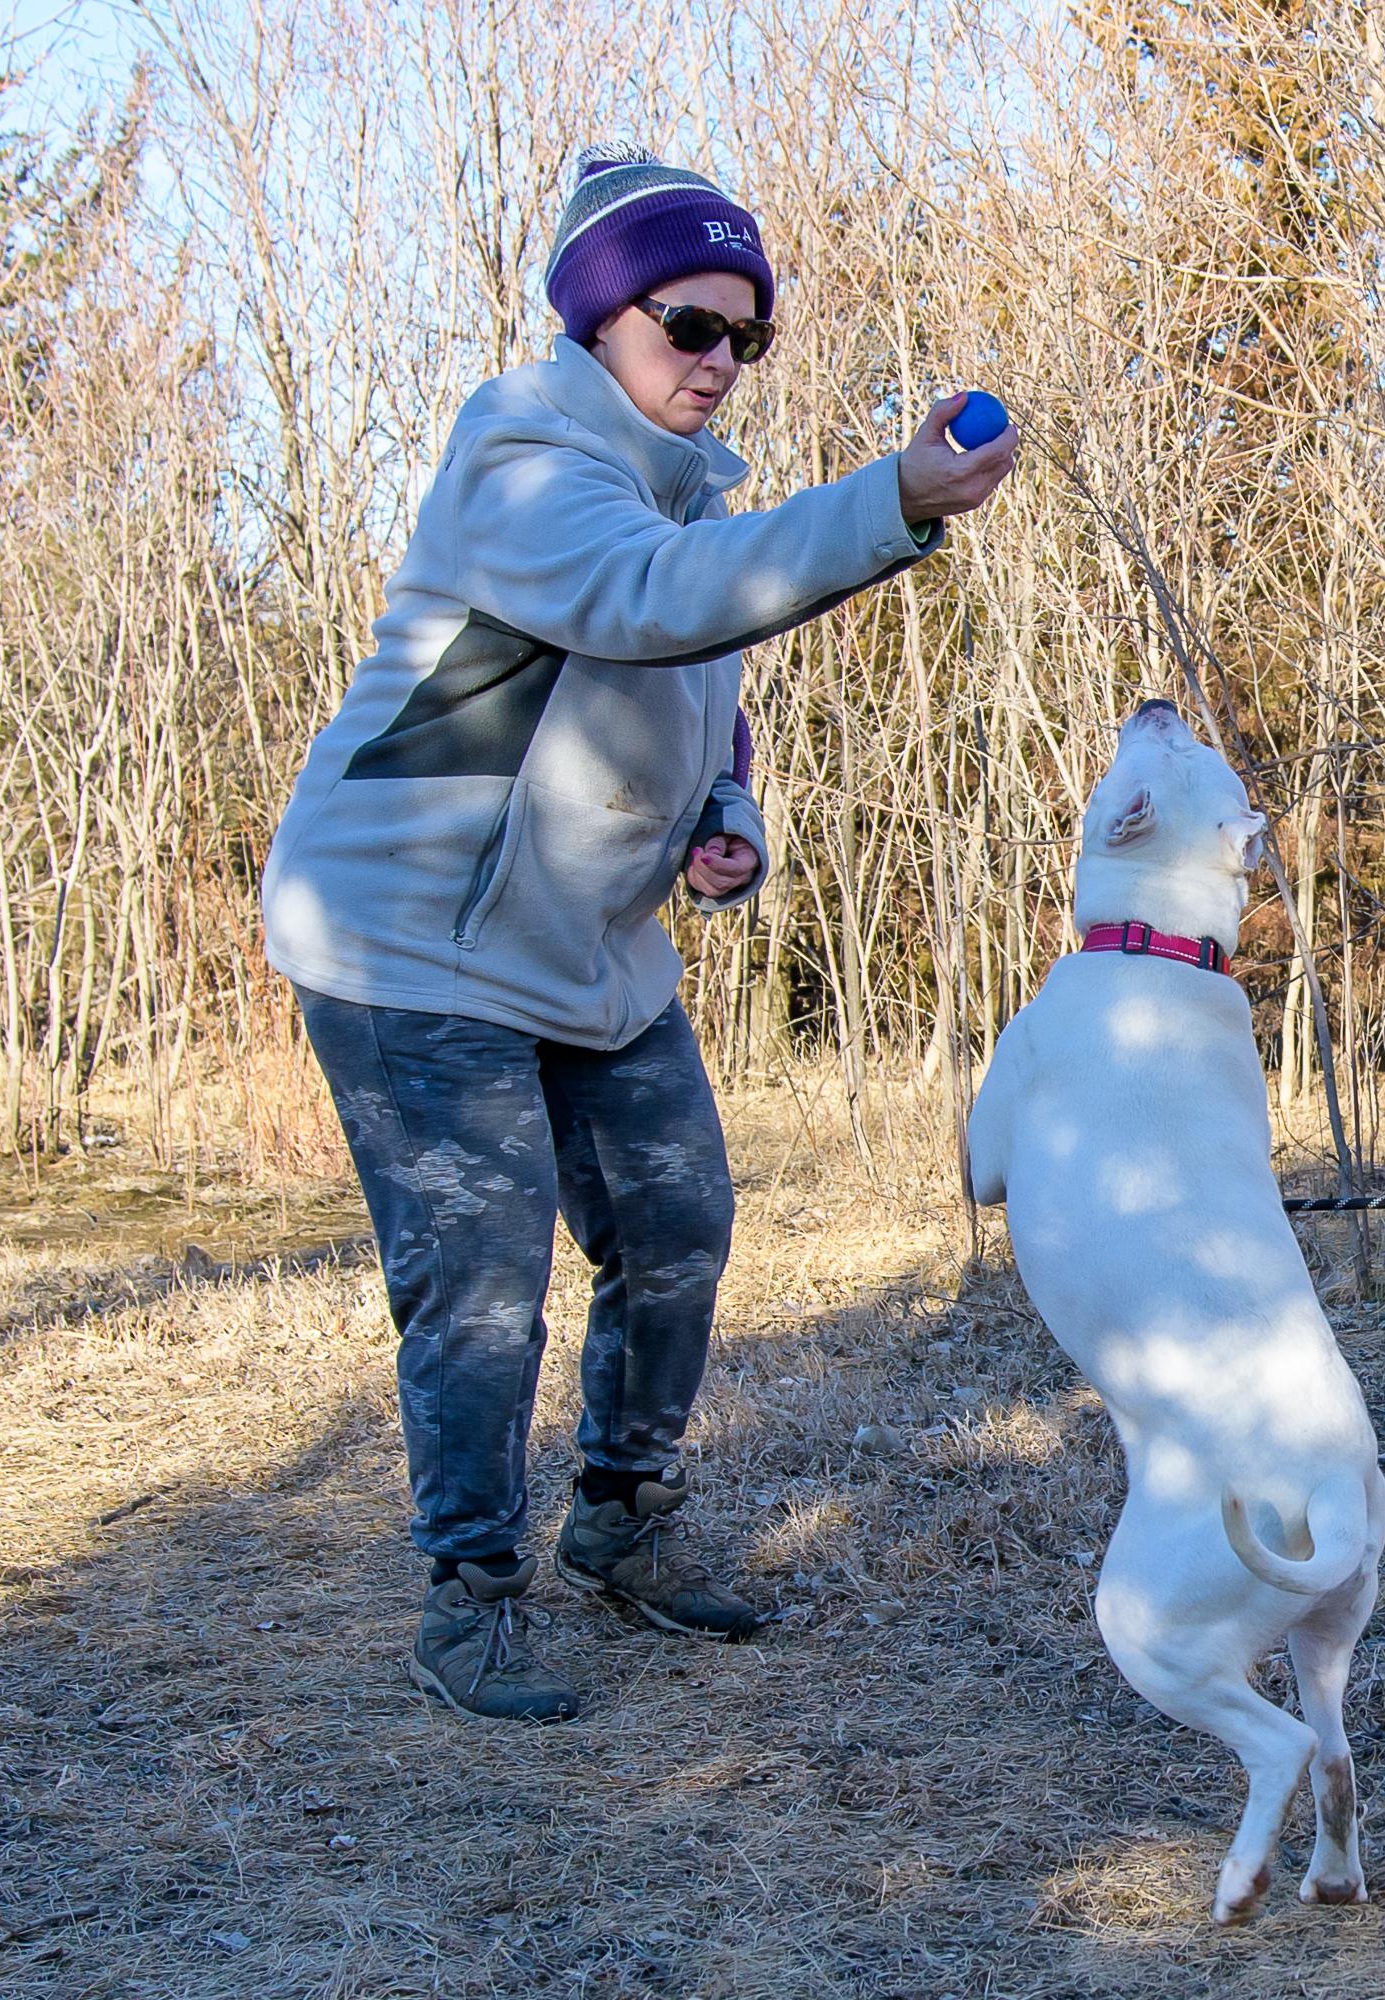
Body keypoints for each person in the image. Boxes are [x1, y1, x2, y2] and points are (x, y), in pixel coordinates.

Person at [259, 145, 1018, 1720]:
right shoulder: (521, 459)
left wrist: (723, 816)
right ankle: (471, 1593)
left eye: (748, 337)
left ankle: (625, 1529)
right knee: (479, 1282)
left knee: (676, 1228)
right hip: (412, 937)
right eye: (689, 323)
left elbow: (692, 688)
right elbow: (649, 603)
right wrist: (889, 503)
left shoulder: (685, 500)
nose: (721, 363)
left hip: (588, 952)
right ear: (602, 318)